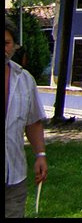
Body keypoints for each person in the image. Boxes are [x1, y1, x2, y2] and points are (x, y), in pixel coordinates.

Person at [5, 17, 48, 218]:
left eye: (6, 43)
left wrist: (40, 155)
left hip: (14, 176)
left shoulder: (24, 80)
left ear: (14, 46)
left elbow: (33, 122)